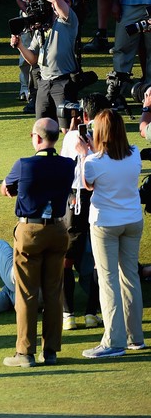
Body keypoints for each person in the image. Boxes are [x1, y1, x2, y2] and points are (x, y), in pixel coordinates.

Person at [1, 117, 74, 367]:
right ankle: (51, 351)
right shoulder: (67, 165)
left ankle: (25, 352)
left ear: (38, 138)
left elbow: (5, 188)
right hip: (58, 229)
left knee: (27, 293)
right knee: (54, 292)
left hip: (30, 230)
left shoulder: (24, 165)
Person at [76, 109, 146, 357]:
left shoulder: (94, 162)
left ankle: (113, 342)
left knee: (108, 281)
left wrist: (85, 155)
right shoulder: (135, 154)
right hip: (132, 221)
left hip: (106, 224)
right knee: (130, 278)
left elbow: (87, 184)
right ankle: (134, 338)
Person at [58, 93, 107, 330]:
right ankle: (92, 312)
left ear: (84, 114)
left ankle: (68, 314)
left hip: (74, 199)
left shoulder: (71, 137)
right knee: (99, 256)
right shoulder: (109, 137)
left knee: (67, 259)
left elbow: (63, 165)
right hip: (99, 198)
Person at [9, 0, 79, 130]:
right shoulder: (41, 27)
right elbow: (33, 59)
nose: (61, 2)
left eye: (66, 0)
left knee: (67, 128)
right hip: (44, 83)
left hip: (63, 82)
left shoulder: (69, 21)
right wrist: (20, 46)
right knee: (42, 128)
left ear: (71, 5)